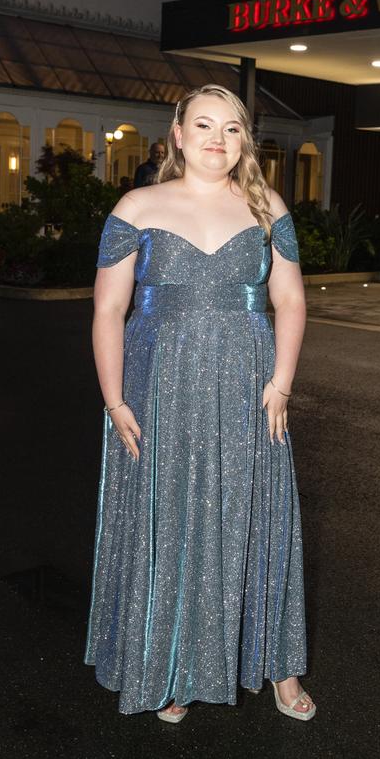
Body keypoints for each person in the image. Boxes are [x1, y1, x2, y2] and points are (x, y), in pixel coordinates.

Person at [85, 84, 315, 723]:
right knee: (175, 520)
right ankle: (176, 662)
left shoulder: (266, 204)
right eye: (205, 126)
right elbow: (108, 309)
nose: (219, 139)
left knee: (259, 517)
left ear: (245, 140)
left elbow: (290, 301)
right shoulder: (139, 204)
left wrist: (281, 384)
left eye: (233, 128)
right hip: (161, 389)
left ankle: (279, 666)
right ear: (178, 135)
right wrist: (114, 398)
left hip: (250, 385)